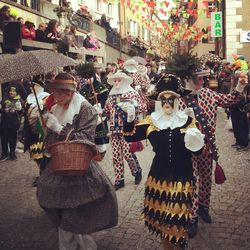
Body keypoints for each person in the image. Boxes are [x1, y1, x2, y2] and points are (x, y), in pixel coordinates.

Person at [27, 72, 118, 250]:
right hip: (58, 165)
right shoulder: (55, 107)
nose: (55, 97)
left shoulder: (85, 109)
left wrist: (59, 128)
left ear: (70, 92)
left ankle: (80, 245)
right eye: (54, 92)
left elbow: (85, 138)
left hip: (79, 166)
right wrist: (41, 125)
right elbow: (49, 142)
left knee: (76, 209)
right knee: (53, 201)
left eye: (59, 93)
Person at [123, 75, 205, 249]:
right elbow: (129, 136)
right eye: (164, 99)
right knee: (162, 222)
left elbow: (198, 152)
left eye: (172, 98)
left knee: (177, 221)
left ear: (178, 99)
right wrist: (129, 119)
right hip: (158, 179)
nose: (167, 102)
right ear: (159, 100)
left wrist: (195, 137)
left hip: (182, 179)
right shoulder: (151, 121)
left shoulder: (188, 121)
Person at [104, 71, 147, 190]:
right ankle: (119, 179)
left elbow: (143, 106)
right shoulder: (111, 95)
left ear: (124, 81)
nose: (117, 82)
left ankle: (136, 171)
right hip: (113, 129)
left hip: (127, 129)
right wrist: (100, 111)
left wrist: (133, 106)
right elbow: (107, 110)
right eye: (115, 80)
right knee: (116, 155)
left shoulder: (132, 93)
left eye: (119, 80)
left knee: (128, 154)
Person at [0, 84, 23, 161]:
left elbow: (22, 113)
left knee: (13, 139)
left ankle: (12, 154)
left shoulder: (19, 100)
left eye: (13, 91)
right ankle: (4, 154)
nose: (11, 92)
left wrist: (19, 110)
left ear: (16, 92)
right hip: (4, 123)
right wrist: (3, 110)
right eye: (10, 91)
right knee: (4, 139)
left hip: (14, 123)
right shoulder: (4, 99)